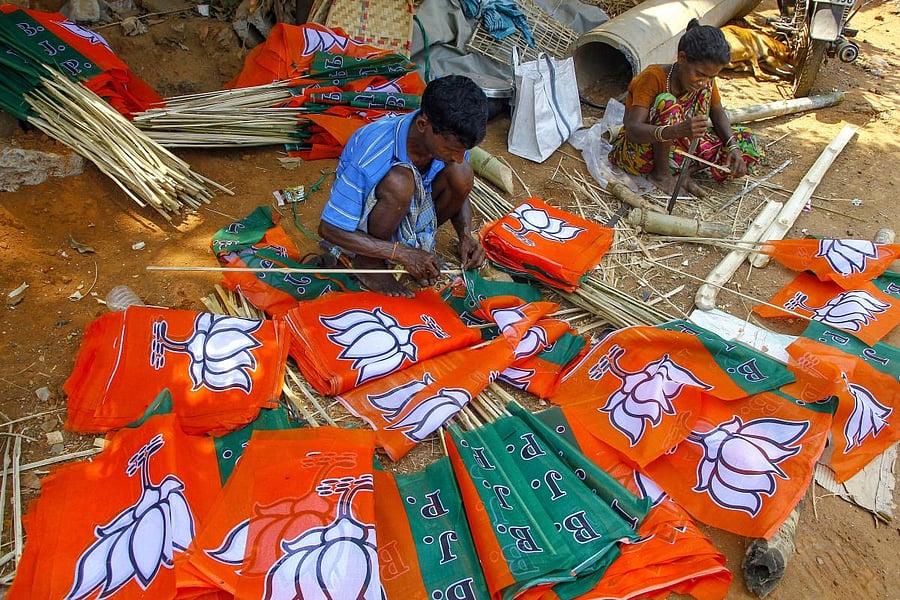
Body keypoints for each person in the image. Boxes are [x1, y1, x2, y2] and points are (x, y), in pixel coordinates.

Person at [318, 75, 489, 297]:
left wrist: (465, 234)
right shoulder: (374, 150)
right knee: (400, 181)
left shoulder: (451, 139)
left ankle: (412, 247)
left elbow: (459, 192)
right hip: (364, 226)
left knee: (462, 173)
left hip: (407, 215)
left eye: (462, 149)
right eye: (451, 149)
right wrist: (400, 253)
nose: (457, 156)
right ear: (422, 125)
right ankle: (369, 262)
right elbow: (329, 228)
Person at [609, 18, 760, 198]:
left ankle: (684, 171)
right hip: (640, 153)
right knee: (668, 103)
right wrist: (675, 130)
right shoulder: (653, 77)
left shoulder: (705, 82)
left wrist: (732, 147)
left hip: (680, 149)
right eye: (700, 74)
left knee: (744, 141)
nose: (705, 82)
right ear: (682, 58)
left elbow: (717, 111)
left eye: (711, 77)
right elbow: (633, 130)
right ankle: (662, 175)